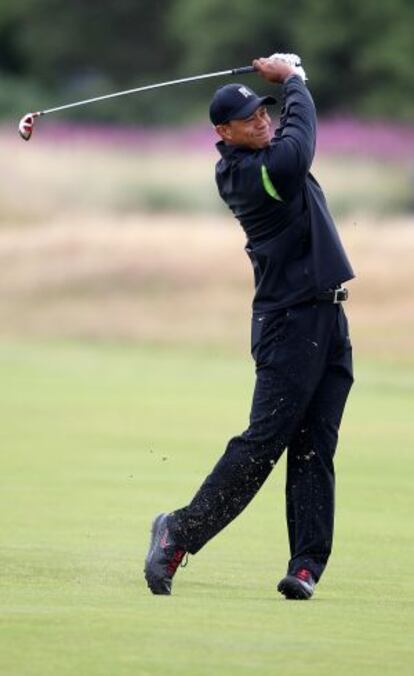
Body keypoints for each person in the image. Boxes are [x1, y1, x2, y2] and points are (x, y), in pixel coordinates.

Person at [144, 57, 354, 600]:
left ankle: (305, 565)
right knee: (263, 444)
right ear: (224, 132)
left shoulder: (265, 154)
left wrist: (287, 85)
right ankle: (179, 532)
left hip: (328, 318)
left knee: (315, 448)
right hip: (290, 322)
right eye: (248, 118)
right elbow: (300, 142)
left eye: (263, 111)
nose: (261, 121)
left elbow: (292, 133)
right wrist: (295, 79)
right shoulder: (254, 173)